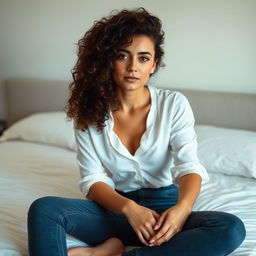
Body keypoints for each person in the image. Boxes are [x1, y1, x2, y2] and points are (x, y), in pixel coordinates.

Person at [27, 7, 246, 256]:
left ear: (153, 64)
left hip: (162, 212)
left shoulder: (173, 104)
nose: (133, 66)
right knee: (44, 209)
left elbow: (189, 167)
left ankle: (108, 253)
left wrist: (181, 211)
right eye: (123, 56)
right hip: (114, 210)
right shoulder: (89, 111)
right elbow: (92, 180)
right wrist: (130, 209)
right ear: (109, 60)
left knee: (230, 228)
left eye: (143, 58)